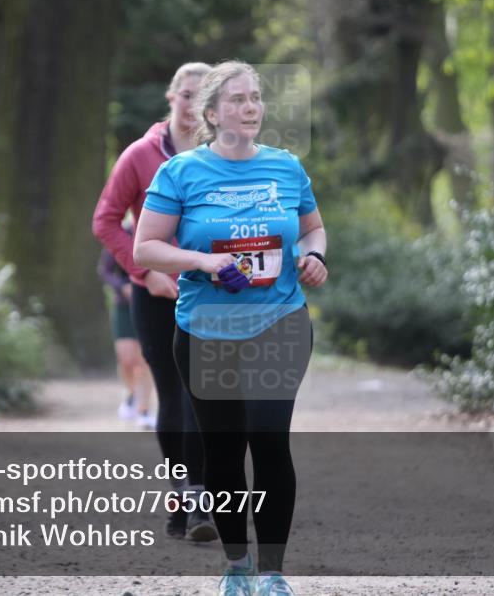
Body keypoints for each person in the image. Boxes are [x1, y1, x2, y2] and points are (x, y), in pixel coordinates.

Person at [133, 61, 328, 596]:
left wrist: (313, 257)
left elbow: (312, 229)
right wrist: (201, 261)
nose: (251, 107)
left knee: (269, 441)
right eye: (238, 99)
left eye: (256, 98)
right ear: (212, 113)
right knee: (222, 452)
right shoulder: (180, 173)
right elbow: (145, 247)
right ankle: (236, 565)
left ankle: (271, 573)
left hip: (279, 322)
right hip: (206, 328)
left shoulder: (286, 167)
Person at [92, 62, 218, 541]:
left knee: (205, 394)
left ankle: (197, 499)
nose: (192, 106)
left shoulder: (223, 157)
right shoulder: (141, 155)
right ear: (172, 97)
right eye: (186, 95)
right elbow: (105, 220)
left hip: (211, 292)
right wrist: (145, 271)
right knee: (177, 392)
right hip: (156, 295)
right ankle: (190, 496)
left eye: (202, 97)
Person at [96, 237, 154, 429]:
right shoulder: (121, 235)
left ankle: (144, 410)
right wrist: (122, 287)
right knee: (127, 360)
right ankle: (131, 393)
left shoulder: (160, 233)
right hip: (123, 307)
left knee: (145, 359)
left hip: (150, 302)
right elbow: (104, 270)